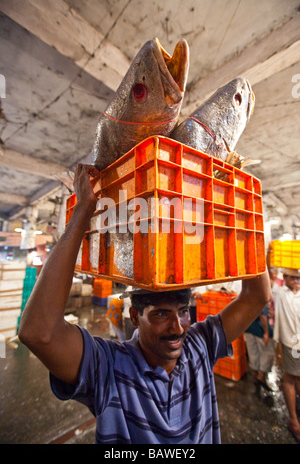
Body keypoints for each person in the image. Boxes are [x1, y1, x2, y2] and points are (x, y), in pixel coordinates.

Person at [18, 164, 271, 445]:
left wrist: (242, 216)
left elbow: (256, 297)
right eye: (161, 313)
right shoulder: (109, 367)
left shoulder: (199, 346)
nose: (178, 327)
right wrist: (82, 213)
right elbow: (39, 332)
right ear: (135, 316)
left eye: (183, 311)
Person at [273, 267, 300, 443]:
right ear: (285, 278)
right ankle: (293, 420)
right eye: (293, 278)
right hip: (291, 345)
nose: (297, 281)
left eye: (299, 278)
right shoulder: (280, 293)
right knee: (291, 379)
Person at [244, 305, 274, 390]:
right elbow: (263, 315)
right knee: (267, 353)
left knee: (253, 352)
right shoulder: (262, 294)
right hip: (260, 330)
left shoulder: (246, 293)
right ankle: (261, 377)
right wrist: (266, 333)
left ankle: (255, 375)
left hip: (249, 328)